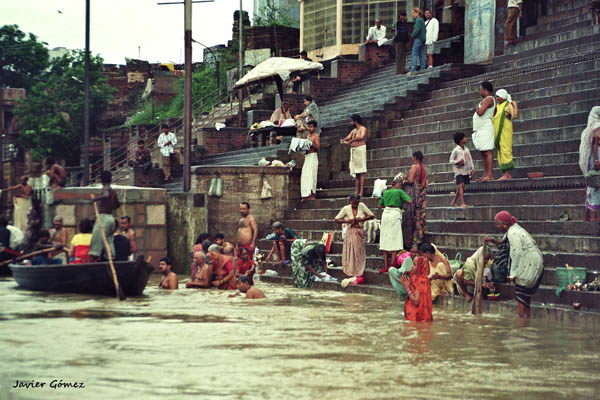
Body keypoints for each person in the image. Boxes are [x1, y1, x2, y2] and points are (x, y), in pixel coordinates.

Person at [485, 211, 543, 318]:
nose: (496, 227)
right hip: (533, 260)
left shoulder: (513, 233)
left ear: (504, 225)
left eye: (497, 224)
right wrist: (493, 240)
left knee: (520, 292)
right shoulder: (514, 230)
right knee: (524, 294)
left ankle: (521, 324)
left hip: (529, 261)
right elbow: (508, 245)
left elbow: (517, 252)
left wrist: (513, 273)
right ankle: (526, 321)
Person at [334, 194, 374, 284]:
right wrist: (346, 221)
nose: (355, 205)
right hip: (351, 232)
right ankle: (351, 272)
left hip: (359, 232)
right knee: (351, 253)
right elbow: (336, 219)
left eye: (357, 203)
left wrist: (362, 218)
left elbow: (371, 215)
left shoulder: (362, 206)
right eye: (354, 204)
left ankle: (359, 272)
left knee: (358, 253)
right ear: (350, 202)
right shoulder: (346, 208)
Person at [377, 173, 412, 274]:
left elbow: (379, 206)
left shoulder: (385, 192)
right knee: (395, 241)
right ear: (398, 184)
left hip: (386, 214)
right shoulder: (399, 191)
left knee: (384, 240)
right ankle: (392, 264)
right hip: (395, 214)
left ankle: (385, 265)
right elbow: (409, 201)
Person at [89, 171, 120, 261]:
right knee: (109, 241)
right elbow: (117, 204)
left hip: (103, 218)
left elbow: (106, 195)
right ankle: (111, 259)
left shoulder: (105, 187)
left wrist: (96, 199)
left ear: (101, 180)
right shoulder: (113, 191)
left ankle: (90, 265)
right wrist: (109, 206)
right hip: (111, 219)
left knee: (96, 241)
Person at [472, 81, 496, 182]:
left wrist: (477, 107)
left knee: (487, 151)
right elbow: (494, 112)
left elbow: (480, 112)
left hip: (485, 128)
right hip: (481, 128)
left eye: (480, 89)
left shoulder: (488, 99)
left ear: (485, 90)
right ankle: (485, 174)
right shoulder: (488, 100)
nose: (480, 91)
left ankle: (490, 175)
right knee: (483, 152)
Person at [579, 107, 600, 221]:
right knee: (596, 188)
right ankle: (594, 216)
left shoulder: (588, 129)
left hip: (589, 161)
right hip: (595, 159)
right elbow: (595, 145)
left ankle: (587, 215)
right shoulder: (597, 126)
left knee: (590, 188)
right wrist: (597, 161)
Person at [493, 89, 519, 181]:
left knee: (505, 150)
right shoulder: (497, 106)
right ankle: (505, 174)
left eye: (498, 96)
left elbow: (515, 116)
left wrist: (515, 105)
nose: (496, 98)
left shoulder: (508, 105)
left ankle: (507, 174)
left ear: (503, 97)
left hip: (505, 131)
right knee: (500, 151)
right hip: (497, 133)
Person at [341, 114, 368, 197]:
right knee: (356, 172)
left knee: (361, 172)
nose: (351, 122)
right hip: (354, 151)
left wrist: (352, 140)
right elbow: (348, 137)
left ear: (355, 121)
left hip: (360, 149)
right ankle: (357, 191)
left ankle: (361, 192)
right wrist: (344, 140)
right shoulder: (354, 130)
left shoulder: (363, 129)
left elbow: (361, 137)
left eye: (351, 121)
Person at [399, 255, 433, 322]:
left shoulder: (420, 281)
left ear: (421, 267)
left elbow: (416, 301)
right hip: (421, 316)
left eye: (414, 265)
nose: (412, 266)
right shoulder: (423, 279)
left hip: (415, 317)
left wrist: (407, 288)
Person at [404, 151, 428, 245]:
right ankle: (419, 237)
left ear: (415, 157)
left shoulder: (414, 167)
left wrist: (403, 181)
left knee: (413, 216)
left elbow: (410, 180)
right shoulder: (424, 169)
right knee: (419, 216)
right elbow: (424, 184)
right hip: (421, 194)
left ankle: (413, 241)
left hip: (414, 194)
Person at [449, 132, 475, 207]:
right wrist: (458, 162)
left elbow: (470, 159)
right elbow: (451, 160)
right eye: (464, 137)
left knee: (461, 186)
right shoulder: (456, 150)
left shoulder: (467, 150)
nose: (466, 139)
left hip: (465, 170)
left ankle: (453, 201)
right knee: (461, 185)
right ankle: (462, 203)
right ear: (460, 140)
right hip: (458, 170)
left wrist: (472, 168)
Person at [301, 120, 320, 203]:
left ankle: (312, 195)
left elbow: (318, 147)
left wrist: (311, 143)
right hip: (307, 157)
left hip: (313, 156)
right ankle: (306, 195)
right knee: (305, 176)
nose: (309, 128)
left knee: (312, 176)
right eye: (309, 126)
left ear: (314, 127)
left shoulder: (316, 136)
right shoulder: (308, 136)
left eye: (311, 127)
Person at [409, 8, 426, 73]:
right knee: (422, 54)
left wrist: (412, 35)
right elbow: (425, 30)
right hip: (423, 39)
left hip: (418, 39)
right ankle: (423, 68)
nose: (413, 15)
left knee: (414, 54)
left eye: (413, 13)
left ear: (417, 13)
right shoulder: (422, 20)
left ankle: (413, 69)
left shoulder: (418, 20)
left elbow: (417, 30)